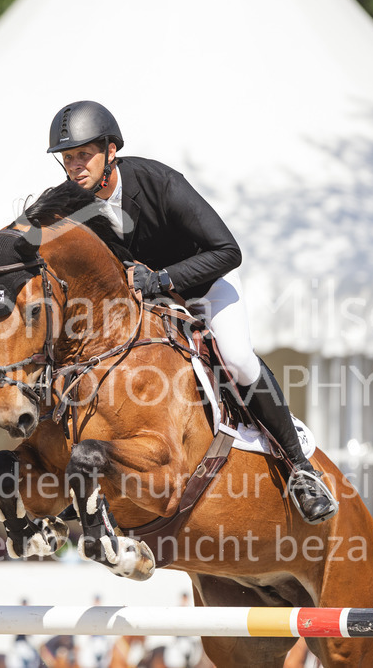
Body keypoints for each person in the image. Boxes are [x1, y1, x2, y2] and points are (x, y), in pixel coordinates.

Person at [45, 100, 337, 524]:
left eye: (82, 155)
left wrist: (163, 279)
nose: (74, 166)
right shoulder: (71, 204)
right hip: (145, 308)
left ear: (111, 151)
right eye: (67, 158)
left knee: (236, 360)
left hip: (204, 286)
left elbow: (228, 250)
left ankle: (300, 471)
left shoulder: (159, 182)